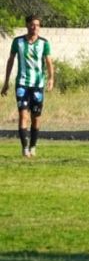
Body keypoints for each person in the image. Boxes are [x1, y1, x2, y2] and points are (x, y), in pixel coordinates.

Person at [1, 14, 54, 158]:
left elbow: (49, 62)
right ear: (27, 25)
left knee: (36, 117)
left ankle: (33, 146)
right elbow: (11, 61)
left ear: (40, 27)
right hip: (22, 84)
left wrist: (51, 79)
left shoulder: (44, 43)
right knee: (23, 115)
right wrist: (6, 82)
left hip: (37, 86)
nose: (34, 27)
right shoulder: (18, 42)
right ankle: (25, 148)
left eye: (37, 25)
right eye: (32, 24)